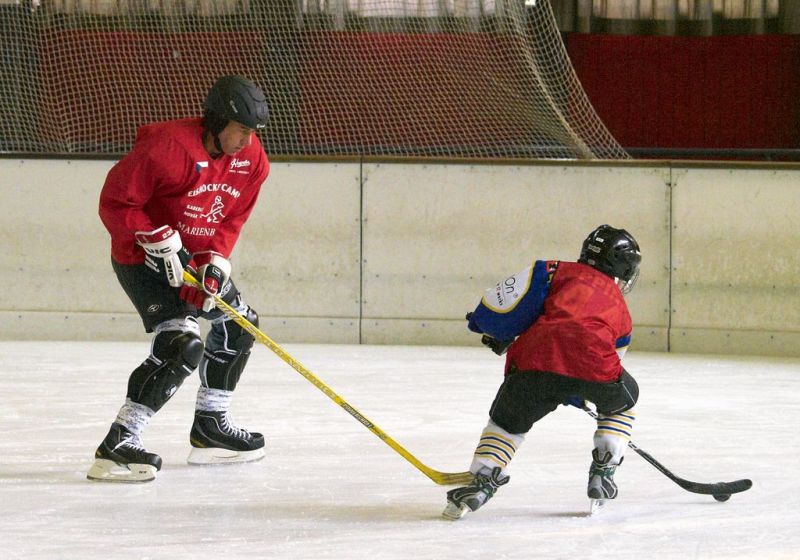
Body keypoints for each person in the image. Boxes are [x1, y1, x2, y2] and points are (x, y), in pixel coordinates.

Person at [87, 75, 271, 483]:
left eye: (252, 132)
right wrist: (154, 238)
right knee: (181, 345)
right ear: (217, 120)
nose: (247, 140)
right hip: (143, 259)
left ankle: (211, 427)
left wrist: (217, 261)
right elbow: (116, 202)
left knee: (240, 325)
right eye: (240, 130)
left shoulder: (252, 158)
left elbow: (232, 216)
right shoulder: (165, 148)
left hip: (196, 260)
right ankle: (118, 444)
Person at [443, 225, 642, 518]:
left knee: (507, 424)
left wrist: (491, 329)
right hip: (594, 368)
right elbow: (609, 365)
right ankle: (604, 468)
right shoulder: (621, 309)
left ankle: (483, 479)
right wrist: (578, 390)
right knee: (623, 402)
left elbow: (494, 308)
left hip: (533, 365)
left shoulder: (551, 270)